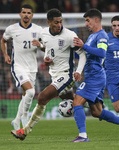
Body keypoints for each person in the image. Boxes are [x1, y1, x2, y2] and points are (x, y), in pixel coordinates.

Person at [11, 8, 87, 140]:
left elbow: (82, 54)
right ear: (49, 22)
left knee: (42, 97)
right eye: (56, 22)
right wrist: (47, 57)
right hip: (55, 75)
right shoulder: (44, 33)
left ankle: (25, 131)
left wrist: (79, 72)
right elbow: (48, 47)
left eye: (61, 22)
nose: (59, 25)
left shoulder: (70, 35)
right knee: (76, 102)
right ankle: (102, 109)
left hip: (67, 75)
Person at [71, 8, 119, 142]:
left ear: (96, 20)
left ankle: (82, 136)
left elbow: (101, 53)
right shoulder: (92, 36)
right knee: (96, 112)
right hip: (92, 76)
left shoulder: (102, 36)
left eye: (88, 21)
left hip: (95, 76)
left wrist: (84, 46)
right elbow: (88, 53)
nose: (86, 24)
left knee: (77, 102)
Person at [0, 4, 43, 131]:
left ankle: (16, 120)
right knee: (31, 92)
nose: (26, 15)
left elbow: (47, 46)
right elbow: (3, 41)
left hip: (32, 67)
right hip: (18, 66)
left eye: (28, 13)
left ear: (32, 15)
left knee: (26, 95)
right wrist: (5, 54)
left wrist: (40, 44)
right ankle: (25, 117)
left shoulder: (38, 30)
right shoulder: (12, 29)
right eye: (24, 12)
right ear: (20, 14)